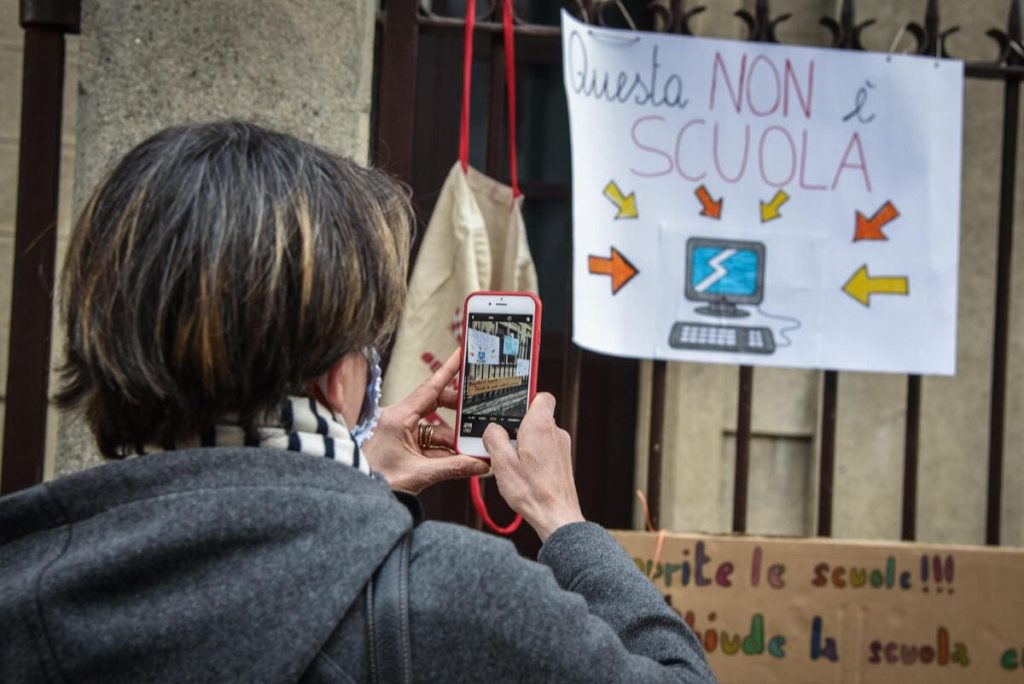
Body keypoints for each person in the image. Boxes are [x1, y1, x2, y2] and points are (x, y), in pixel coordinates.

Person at [0, 122, 715, 683]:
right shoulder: (455, 598)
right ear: (338, 375)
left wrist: (355, 487)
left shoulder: (24, 576)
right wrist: (564, 521)